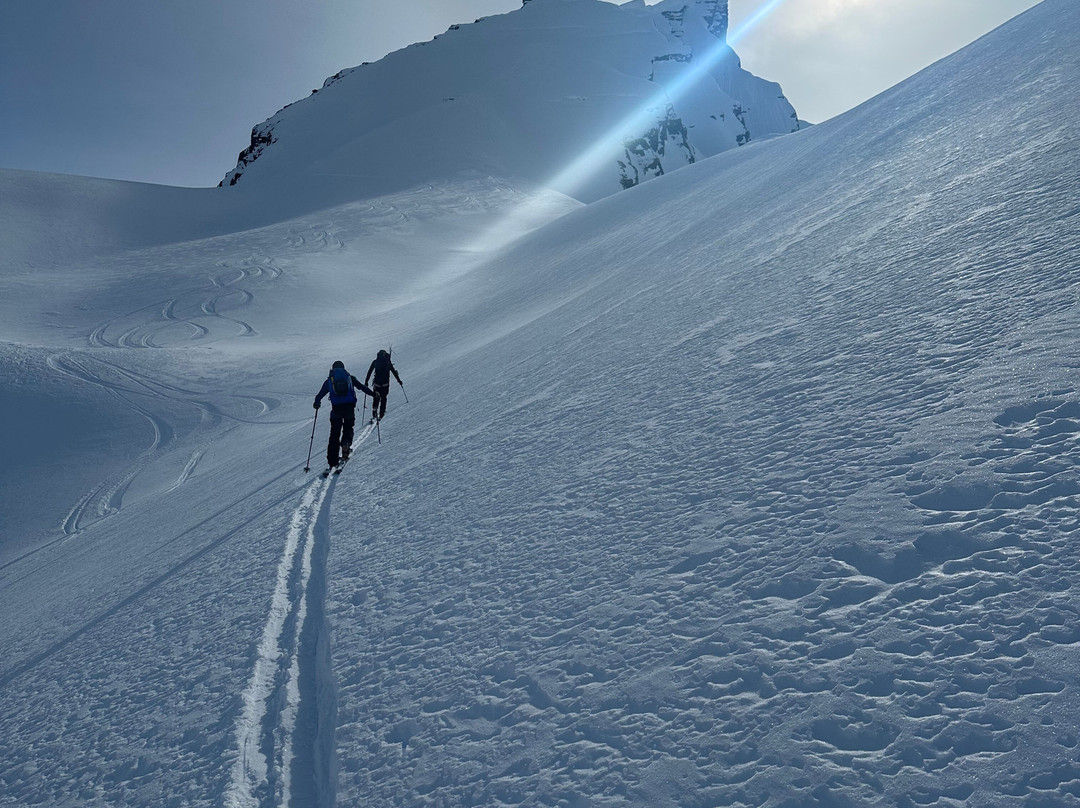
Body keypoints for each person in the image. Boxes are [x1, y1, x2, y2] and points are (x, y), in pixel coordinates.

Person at [314, 361, 374, 467]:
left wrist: (317, 403)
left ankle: (332, 461)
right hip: (349, 408)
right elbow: (362, 387)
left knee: (334, 434)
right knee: (348, 427)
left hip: (336, 409)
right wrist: (374, 394)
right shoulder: (350, 378)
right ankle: (346, 445)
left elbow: (319, 395)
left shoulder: (329, 380)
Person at [365, 348, 403, 422]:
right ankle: (382, 413)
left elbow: (369, 372)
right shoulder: (388, 362)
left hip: (376, 384)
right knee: (384, 398)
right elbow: (394, 372)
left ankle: (374, 412)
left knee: (376, 398)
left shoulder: (375, 362)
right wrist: (399, 380)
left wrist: (366, 381)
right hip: (385, 384)